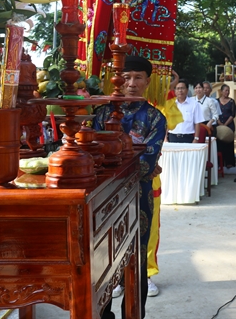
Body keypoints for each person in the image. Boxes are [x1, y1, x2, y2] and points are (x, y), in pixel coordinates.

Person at [94, 56, 166, 319]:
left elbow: (147, 161)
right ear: (116, 80)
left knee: (136, 261)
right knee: (101, 261)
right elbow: (91, 155)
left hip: (138, 199)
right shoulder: (101, 114)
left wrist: (111, 162)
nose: (131, 83)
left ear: (148, 82)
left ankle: (133, 314)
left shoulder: (155, 118)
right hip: (101, 200)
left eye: (138, 77)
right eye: (126, 77)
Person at [167, 79, 203, 143]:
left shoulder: (194, 104)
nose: (180, 90)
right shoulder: (170, 104)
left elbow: (197, 123)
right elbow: (166, 122)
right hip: (172, 137)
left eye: (182, 88)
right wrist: (165, 138)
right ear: (175, 90)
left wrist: (196, 138)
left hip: (188, 137)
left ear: (187, 90)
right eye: (178, 88)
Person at [216, 84, 236, 168]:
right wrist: (220, 123)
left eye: (228, 90)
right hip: (218, 126)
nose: (227, 92)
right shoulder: (216, 101)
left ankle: (229, 162)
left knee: (229, 144)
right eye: (225, 90)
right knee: (219, 144)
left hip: (229, 126)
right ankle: (219, 162)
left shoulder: (232, 101)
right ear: (221, 91)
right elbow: (214, 113)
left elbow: (232, 114)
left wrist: (225, 124)